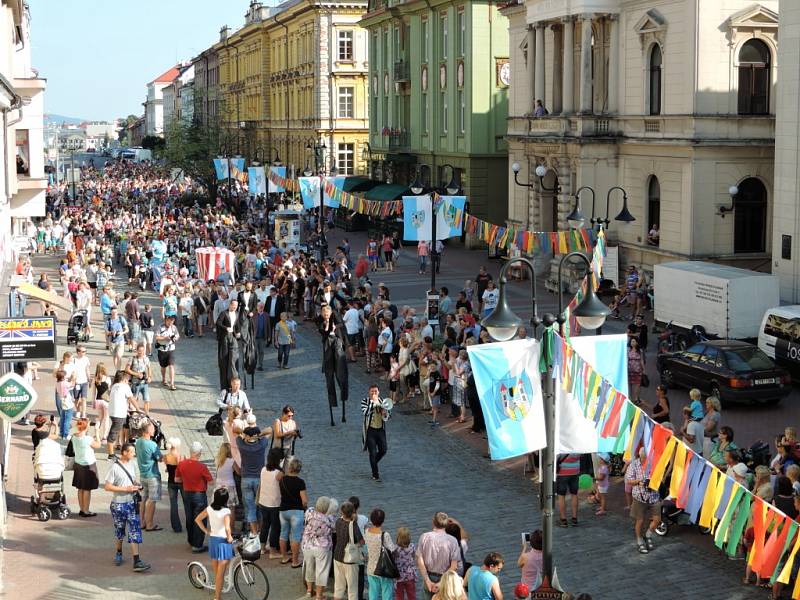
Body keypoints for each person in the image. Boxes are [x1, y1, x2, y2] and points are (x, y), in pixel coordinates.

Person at [103, 443, 151, 572]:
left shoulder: (132, 464)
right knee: (120, 530)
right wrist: (125, 488)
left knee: (135, 529)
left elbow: (133, 480)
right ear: (124, 452)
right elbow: (107, 486)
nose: (134, 454)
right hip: (118, 504)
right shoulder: (114, 467)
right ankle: (119, 551)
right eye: (131, 452)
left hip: (131, 503)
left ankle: (137, 560)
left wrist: (137, 485)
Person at [194, 487, 235, 600]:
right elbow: (227, 528)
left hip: (213, 540)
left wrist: (206, 531)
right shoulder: (226, 511)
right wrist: (230, 537)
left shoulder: (209, 509)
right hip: (223, 542)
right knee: (221, 573)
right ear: (225, 500)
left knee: (217, 571)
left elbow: (197, 519)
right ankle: (217, 597)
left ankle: (218, 590)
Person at [175, 441, 213, 553]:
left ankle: (191, 540)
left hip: (186, 493)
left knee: (189, 517)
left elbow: (177, 479)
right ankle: (198, 544)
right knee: (200, 518)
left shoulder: (181, 464)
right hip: (199, 494)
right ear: (199, 453)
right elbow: (210, 481)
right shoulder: (202, 467)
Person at [625, 447, 661, 554]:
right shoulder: (634, 465)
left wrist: (654, 481)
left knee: (657, 519)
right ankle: (639, 540)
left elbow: (660, 476)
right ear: (640, 456)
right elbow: (628, 480)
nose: (647, 459)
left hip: (653, 495)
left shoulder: (654, 463)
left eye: (648, 457)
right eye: (645, 457)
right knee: (639, 520)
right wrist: (640, 482)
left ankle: (648, 535)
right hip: (639, 496)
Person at [416, 512, 461, 600]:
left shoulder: (424, 537)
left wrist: (427, 581)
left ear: (433, 522)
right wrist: (441, 583)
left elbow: (420, 560)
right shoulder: (453, 541)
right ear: (447, 524)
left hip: (429, 576)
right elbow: (454, 566)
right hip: (445, 579)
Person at [237, 421, 271, 535]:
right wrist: (258, 435)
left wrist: (246, 435)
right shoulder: (261, 445)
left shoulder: (241, 445)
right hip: (259, 480)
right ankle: (262, 532)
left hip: (245, 479)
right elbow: (270, 430)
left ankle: (254, 533)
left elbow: (235, 429)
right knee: (260, 507)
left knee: (250, 507)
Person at [319, 304, 349, 425]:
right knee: (329, 380)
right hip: (327, 346)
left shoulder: (336, 317)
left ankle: (343, 394)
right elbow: (323, 333)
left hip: (337, 343)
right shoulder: (321, 322)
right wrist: (327, 325)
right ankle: (332, 402)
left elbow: (342, 325)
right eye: (325, 314)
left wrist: (335, 326)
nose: (326, 316)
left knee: (341, 375)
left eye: (328, 314)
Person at [301, 496, 337, 599]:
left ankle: (309, 591)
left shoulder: (309, 512)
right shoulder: (329, 520)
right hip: (322, 547)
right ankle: (319, 595)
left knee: (309, 568)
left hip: (307, 544)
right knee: (321, 571)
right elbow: (334, 528)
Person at [279, 457, 308, 567]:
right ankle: (295, 561)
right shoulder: (300, 482)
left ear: (290, 468)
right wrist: (305, 506)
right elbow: (304, 500)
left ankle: (284, 557)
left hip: (283, 511)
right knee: (295, 536)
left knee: (283, 534)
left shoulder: (282, 480)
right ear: (299, 469)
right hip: (296, 512)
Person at [333, 500, 364, 600]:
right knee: (352, 589)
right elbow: (362, 541)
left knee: (338, 586)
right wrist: (353, 521)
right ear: (353, 512)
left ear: (342, 512)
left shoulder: (338, 521)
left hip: (337, 556)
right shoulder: (353, 525)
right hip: (349, 560)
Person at [135, 421, 163, 531]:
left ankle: (141, 522)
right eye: (153, 429)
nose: (155, 430)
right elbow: (159, 458)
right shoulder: (152, 444)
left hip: (142, 475)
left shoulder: (138, 442)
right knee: (152, 500)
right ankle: (149, 524)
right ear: (148, 431)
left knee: (143, 499)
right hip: (153, 475)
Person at [364, 507, 396, 599]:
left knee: (373, 593)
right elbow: (392, 550)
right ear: (382, 521)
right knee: (387, 592)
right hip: (383, 568)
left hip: (371, 568)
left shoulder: (367, 532)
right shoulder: (385, 535)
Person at [72, 417, 101, 517]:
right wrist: (97, 432)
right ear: (86, 427)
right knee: (87, 489)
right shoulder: (88, 439)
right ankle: (86, 510)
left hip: (78, 464)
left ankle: (81, 509)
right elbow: (98, 445)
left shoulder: (74, 437)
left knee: (80, 488)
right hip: (88, 465)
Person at [107, 370, 139, 458]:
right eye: (128, 379)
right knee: (113, 433)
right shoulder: (125, 386)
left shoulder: (114, 386)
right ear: (124, 379)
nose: (128, 381)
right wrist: (138, 409)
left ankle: (125, 450)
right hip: (119, 414)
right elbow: (131, 399)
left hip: (113, 412)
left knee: (122, 428)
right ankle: (111, 455)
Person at [259, 448, 284, 558]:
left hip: (263, 501)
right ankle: (273, 551)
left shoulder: (263, 469)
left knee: (265, 525)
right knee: (275, 527)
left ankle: (262, 547)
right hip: (274, 503)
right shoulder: (279, 473)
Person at [362, 384, 390, 482]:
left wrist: (385, 413)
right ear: (369, 392)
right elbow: (365, 412)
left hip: (380, 430)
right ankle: (375, 474)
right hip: (370, 430)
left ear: (378, 392)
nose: (374, 393)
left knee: (383, 450)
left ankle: (373, 463)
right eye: (372, 391)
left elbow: (388, 417)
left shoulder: (383, 401)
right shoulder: (365, 401)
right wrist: (374, 403)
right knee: (372, 453)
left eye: (376, 391)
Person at [164, 437, 185, 534]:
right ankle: (189, 522)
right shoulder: (180, 456)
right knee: (186, 502)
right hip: (180, 482)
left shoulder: (166, 456)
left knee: (173, 504)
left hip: (170, 482)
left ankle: (176, 526)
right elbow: (181, 470)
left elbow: (167, 468)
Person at [125, 343, 152, 415]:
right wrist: (137, 374)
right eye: (140, 351)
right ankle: (134, 414)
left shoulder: (146, 359)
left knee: (147, 400)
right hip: (135, 383)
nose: (141, 352)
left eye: (143, 351)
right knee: (134, 399)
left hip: (144, 383)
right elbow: (127, 369)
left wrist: (149, 377)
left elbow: (149, 368)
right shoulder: (132, 359)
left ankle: (147, 415)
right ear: (136, 351)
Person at [155, 314, 179, 390]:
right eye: (169, 321)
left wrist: (175, 338)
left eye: (172, 321)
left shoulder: (174, 327)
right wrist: (165, 338)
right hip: (162, 349)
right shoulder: (160, 327)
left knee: (171, 365)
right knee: (163, 366)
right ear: (165, 320)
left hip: (171, 349)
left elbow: (177, 336)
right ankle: (164, 379)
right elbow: (157, 337)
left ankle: (172, 383)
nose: (170, 322)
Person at [555, 453, 581, 527]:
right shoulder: (577, 442)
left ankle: (563, 520)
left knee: (561, 496)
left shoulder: (562, 442)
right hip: (575, 470)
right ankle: (574, 518)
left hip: (562, 471)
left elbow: (557, 456)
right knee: (574, 494)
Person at [394, 526, 418, 600]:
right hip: (410, 575)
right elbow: (414, 557)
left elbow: (393, 560)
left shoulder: (395, 548)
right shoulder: (412, 546)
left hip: (399, 576)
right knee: (412, 595)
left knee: (399, 596)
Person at [72, 346, 92, 419]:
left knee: (84, 398)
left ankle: (83, 413)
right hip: (76, 382)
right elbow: (72, 371)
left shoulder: (86, 359)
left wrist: (89, 379)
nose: (84, 353)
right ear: (78, 352)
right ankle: (78, 411)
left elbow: (87, 369)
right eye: (83, 351)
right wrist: (73, 380)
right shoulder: (74, 360)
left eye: (85, 351)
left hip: (84, 381)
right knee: (76, 399)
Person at [627, 338, 645, 406]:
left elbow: (642, 360)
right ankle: (630, 398)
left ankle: (636, 399)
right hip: (629, 370)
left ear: (637, 343)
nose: (632, 343)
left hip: (638, 371)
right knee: (630, 385)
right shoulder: (628, 350)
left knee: (637, 385)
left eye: (634, 341)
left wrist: (644, 369)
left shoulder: (640, 351)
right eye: (631, 341)